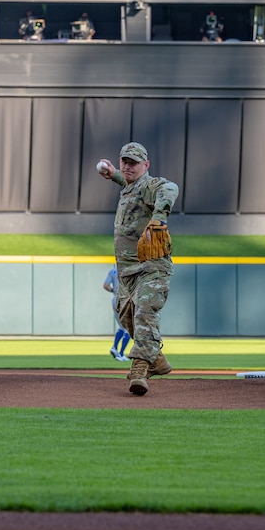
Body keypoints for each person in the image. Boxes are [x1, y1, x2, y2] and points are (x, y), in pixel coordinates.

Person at [97, 142, 179, 396]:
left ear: (146, 165)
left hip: (151, 269)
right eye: (125, 161)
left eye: (134, 162)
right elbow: (131, 184)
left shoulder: (151, 185)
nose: (128, 165)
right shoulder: (131, 186)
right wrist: (116, 176)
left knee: (144, 313)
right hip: (127, 272)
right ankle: (157, 360)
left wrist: (159, 216)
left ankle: (139, 370)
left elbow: (170, 187)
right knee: (127, 318)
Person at [103, 267, 130, 362]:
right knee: (129, 328)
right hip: (125, 299)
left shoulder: (113, 271)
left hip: (115, 299)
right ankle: (121, 354)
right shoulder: (130, 269)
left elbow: (105, 285)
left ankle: (114, 348)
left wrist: (113, 291)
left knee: (122, 326)